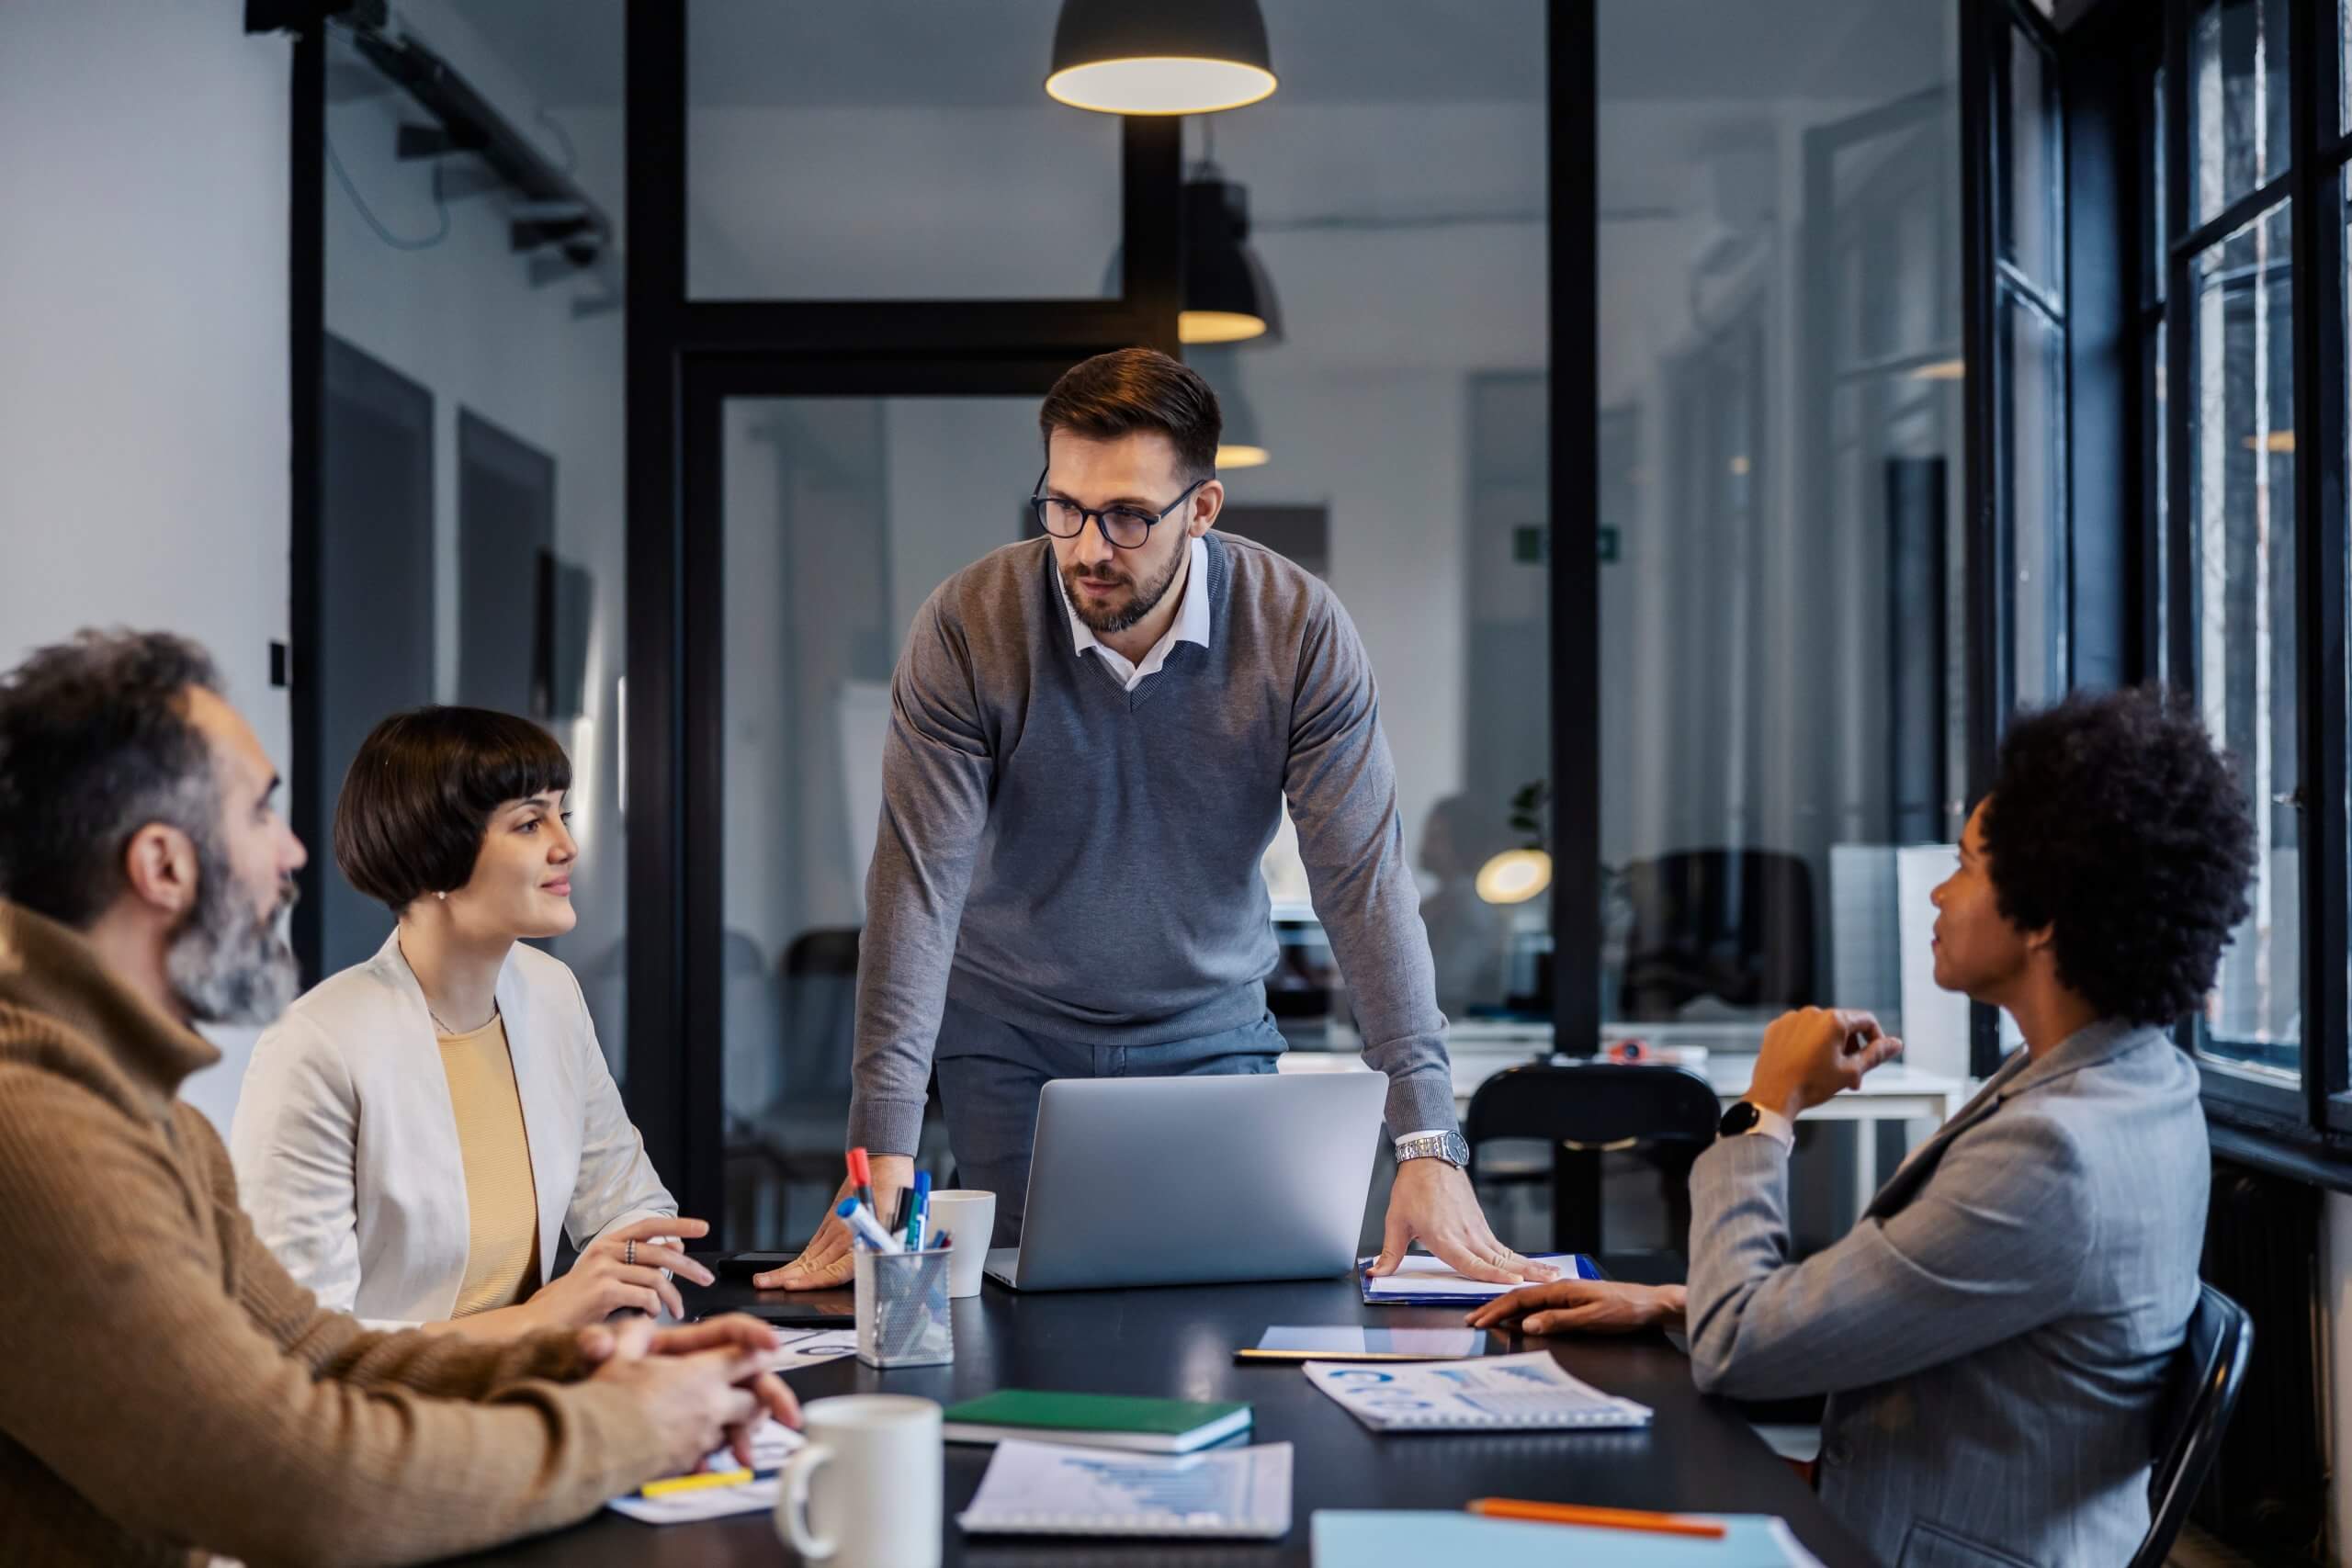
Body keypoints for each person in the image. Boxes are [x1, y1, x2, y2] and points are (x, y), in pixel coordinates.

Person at [0, 630, 797, 1564]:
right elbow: (301, 1477)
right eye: (260, 814)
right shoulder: (41, 1131)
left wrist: (581, 1360)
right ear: (164, 866)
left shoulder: (146, 1110)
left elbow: (320, 1348)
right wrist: (627, 1426)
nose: (295, 852)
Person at [768, 347, 1546, 1291]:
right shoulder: (970, 624)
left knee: (1218, 1321)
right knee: (1028, 1325)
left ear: (1203, 510)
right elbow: (916, 888)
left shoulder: (1295, 629)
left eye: (1130, 516)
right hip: (1012, 1041)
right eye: (1063, 508)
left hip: (1209, 1038)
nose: (1090, 547)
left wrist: (1426, 1137)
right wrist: (881, 1147)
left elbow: (1364, 886)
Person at [1469, 686, 2256, 1567]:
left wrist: (1765, 1109)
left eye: (1965, 865)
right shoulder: (2141, 1081)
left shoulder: (2054, 1154)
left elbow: (1741, 1352)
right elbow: (1920, 1307)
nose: (1937, 891)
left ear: (2043, 917)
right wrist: (1667, 1300)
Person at [232, 706, 715, 1331]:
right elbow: (297, 1341)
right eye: (529, 822)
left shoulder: (552, 994)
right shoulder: (316, 1045)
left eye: (561, 815)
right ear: (435, 856)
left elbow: (632, 1208)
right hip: (391, 1418)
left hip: (541, 1386)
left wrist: (623, 1300)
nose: (566, 845)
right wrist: (541, 1320)